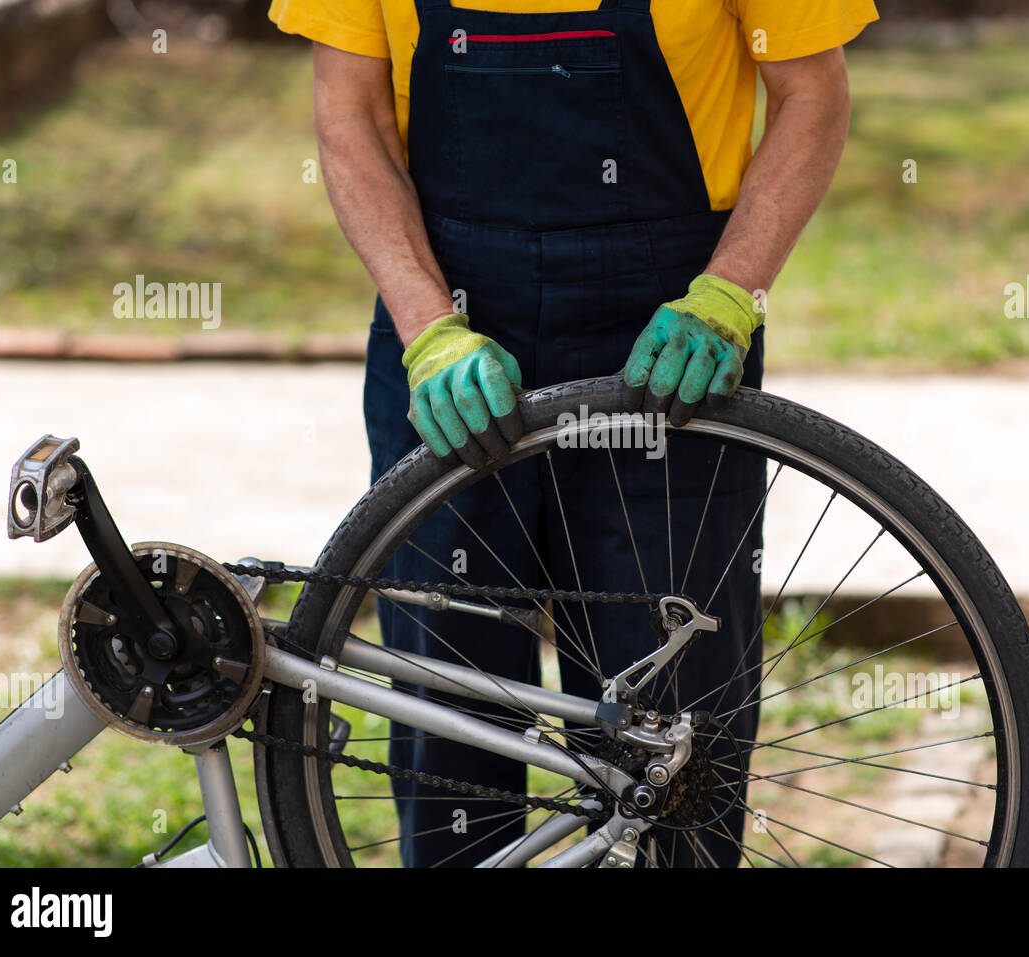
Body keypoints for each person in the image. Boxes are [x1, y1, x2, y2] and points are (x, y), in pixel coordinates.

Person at [270, 0, 876, 867]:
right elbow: (349, 112)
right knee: (452, 730)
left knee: (670, 737)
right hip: (453, 325)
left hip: (667, 338)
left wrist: (730, 293)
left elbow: (812, 90)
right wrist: (427, 325)